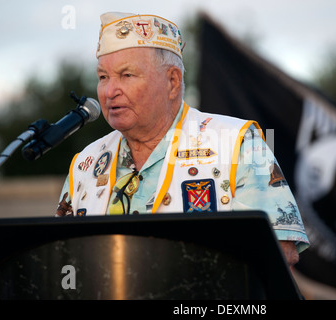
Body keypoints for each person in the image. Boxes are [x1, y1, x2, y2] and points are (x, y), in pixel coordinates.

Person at [56, 12, 309, 271]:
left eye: (127, 75)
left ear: (173, 82)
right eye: (103, 77)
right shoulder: (86, 163)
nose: (109, 91)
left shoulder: (238, 142)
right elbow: (59, 259)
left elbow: (280, 251)